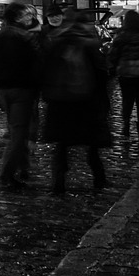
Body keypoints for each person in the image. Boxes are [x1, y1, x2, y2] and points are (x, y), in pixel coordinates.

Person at [42, 10, 112, 194]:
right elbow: (102, 73)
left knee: (63, 146)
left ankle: (58, 183)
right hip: (86, 102)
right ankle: (99, 179)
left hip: (61, 102)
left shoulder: (56, 41)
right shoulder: (90, 42)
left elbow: (45, 70)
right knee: (92, 145)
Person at [0, 3, 41, 191]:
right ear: (16, 17)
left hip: (3, 90)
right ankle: (7, 174)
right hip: (21, 89)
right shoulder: (25, 38)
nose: (29, 18)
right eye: (26, 15)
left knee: (16, 128)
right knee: (18, 133)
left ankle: (23, 167)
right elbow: (36, 65)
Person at [109, 11, 139, 139]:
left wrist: (113, 68)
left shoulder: (121, 36)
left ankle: (126, 124)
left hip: (126, 72)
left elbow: (114, 54)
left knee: (127, 99)